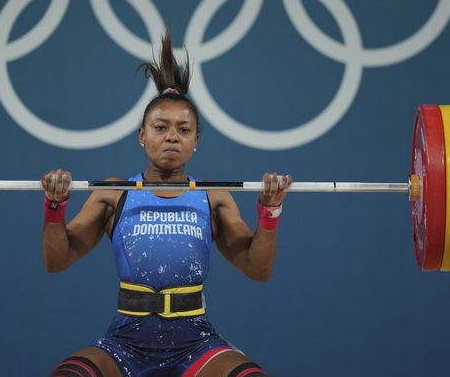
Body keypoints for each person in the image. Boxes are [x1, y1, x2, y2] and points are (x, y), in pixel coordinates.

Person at [42, 32, 292, 377]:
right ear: (142, 134)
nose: (172, 136)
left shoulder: (213, 195)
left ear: (196, 141)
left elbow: (258, 269)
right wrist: (55, 207)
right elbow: (57, 260)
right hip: (125, 343)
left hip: (197, 343)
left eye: (183, 129)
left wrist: (270, 212)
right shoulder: (113, 193)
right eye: (160, 127)